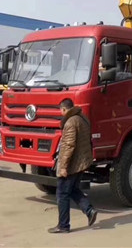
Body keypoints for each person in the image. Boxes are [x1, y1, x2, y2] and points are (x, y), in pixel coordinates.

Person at [48, 98, 97, 233]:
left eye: (61, 110)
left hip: (72, 164)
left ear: (64, 109)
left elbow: (68, 146)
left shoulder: (70, 122)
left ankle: (63, 225)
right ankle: (89, 210)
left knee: (62, 193)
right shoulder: (82, 118)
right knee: (73, 190)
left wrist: (63, 167)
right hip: (82, 161)